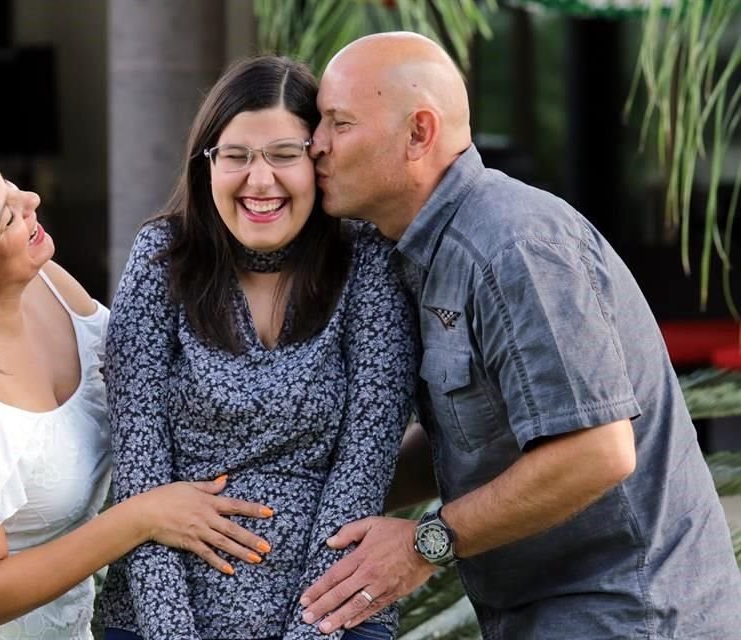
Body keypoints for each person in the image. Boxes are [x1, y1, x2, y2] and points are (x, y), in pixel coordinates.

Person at [295, 32, 741, 638]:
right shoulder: (417, 251)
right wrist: (315, 484)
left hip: (630, 616)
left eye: (337, 123)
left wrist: (424, 543)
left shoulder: (515, 246)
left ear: (419, 133)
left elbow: (595, 452)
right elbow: (477, 444)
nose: (313, 145)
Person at [0, 135, 277, 640]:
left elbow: (141, 370)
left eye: (11, 188)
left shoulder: (45, 283)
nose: (32, 202)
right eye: (7, 216)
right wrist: (144, 517)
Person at [96, 56, 418, 640]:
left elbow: (363, 468)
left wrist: (307, 633)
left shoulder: (367, 262)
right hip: (158, 618)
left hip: (334, 615)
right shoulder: (160, 259)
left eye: (284, 155)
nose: (259, 181)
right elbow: (141, 477)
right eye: (237, 156)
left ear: (318, 157)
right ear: (207, 165)